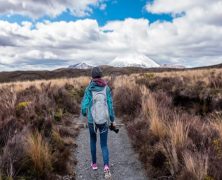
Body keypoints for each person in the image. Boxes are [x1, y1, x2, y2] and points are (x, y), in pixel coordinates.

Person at [81, 66, 115, 178]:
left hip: (92, 121)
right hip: (104, 120)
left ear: (92, 76)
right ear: (101, 75)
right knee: (104, 145)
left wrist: (85, 114)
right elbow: (110, 105)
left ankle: (94, 164)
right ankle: (106, 166)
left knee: (92, 141)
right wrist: (112, 119)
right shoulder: (106, 88)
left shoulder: (89, 88)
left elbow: (84, 106)